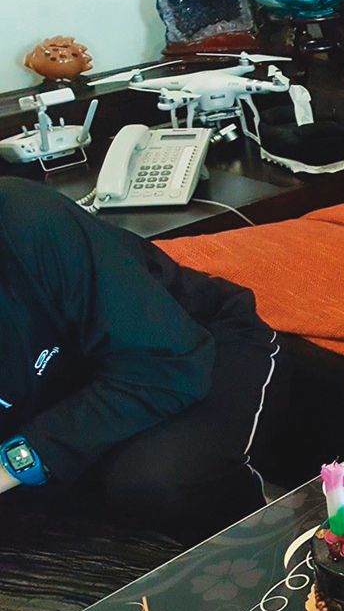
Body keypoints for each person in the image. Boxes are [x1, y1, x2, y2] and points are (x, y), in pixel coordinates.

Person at [0, 178, 285, 544]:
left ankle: (275, 551)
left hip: (192, 350)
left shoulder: (28, 220)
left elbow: (167, 365)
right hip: (74, 388)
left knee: (150, 481)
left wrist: (19, 459)